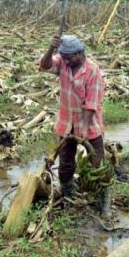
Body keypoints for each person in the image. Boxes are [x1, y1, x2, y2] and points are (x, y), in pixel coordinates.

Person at [39, 35, 110, 215]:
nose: (67, 61)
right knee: (66, 163)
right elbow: (45, 65)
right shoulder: (63, 62)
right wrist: (50, 48)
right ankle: (67, 195)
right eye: (64, 57)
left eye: (70, 57)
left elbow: (92, 103)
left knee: (97, 162)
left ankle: (103, 201)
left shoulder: (93, 71)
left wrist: (84, 130)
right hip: (66, 122)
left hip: (89, 123)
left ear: (80, 53)